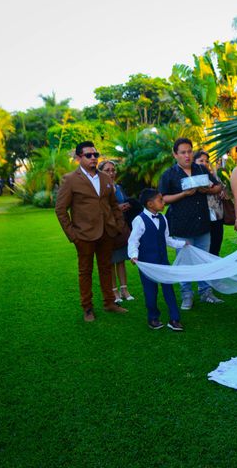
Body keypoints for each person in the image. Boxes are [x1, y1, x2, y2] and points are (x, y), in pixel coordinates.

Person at [55, 141, 128, 322]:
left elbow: (113, 205)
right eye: (89, 155)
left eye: (95, 154)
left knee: (106, 269)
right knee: (85, 272)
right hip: (84, 235)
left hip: (106, 233)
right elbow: (60, 209)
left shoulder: (105, 178)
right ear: (79, 158)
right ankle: (87, 308)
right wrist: (73, 235)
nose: (93, 158)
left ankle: (110, 303)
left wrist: (117, 224)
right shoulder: (70, 179)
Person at [159, 138, 224, 309]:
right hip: (182, 225)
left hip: (203, 223)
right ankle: (187, 295)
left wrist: (207, 190)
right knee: (185, 263)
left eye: (189, 151)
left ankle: (205, 292)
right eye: (183, 152)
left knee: (203, 260)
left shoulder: (200, 169)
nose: (187, 155)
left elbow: (218, 187)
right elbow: (164, 199)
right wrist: (184, 194)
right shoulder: (169, 174)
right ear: (175, 154)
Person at [128, 189, 186, 331]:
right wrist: (133, 255)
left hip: (163, 261)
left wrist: (182, 244)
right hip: (147, 263)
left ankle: (174, 318)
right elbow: (133, 240)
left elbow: (166, 239)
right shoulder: (139, 220)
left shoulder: (163, 218)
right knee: (150, 291)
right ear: (150, 204)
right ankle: (153, 317)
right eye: (160, 200)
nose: (163, 202)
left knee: (169, 289)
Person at [99, 160, 134, 303]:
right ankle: (114, 292)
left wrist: (126, 205)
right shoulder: (99, 188)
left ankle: (124, 290)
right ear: (100, 172)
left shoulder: (118, 187)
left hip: (120, 228)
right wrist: (117, 208)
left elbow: (123, 201)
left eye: (113, 170)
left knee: (120, 260)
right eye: (107, 170)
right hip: (107, 229)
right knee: (110, 261)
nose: (111, 173)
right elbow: (99, 208)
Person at [193, 151, 225, 256]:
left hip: (217, 217)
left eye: (206, 161)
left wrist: (223, 192)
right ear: (194, 162)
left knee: (215, 248)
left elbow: (224, 190)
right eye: (201, 161)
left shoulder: (215, 176)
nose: (204, 163)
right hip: (202, 218)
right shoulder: (192, 179)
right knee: (203, 251)